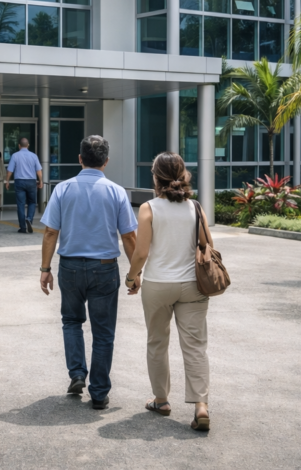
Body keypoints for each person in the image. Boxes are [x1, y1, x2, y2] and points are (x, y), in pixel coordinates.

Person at [39, 135, 138, 410]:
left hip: (69, 266)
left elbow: (50, 232)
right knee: (103, 332)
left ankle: (77, 374)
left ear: (80, 159)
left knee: (71, 321)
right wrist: (135, 272)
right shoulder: (117, 191)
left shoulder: (62, 189)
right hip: (105, 269)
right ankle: (99, 393)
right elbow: (129, 237)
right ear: (106, 161)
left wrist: (45, 268)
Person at [126, 151, 212, 432]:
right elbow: (205, 245)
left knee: (157, 342)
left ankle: (161, 400)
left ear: (155, 177)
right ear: (183, 175)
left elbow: (141, 253)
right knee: (195, 345)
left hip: (158, 284)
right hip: (193, 286)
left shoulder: (149, 208)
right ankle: (201, 406)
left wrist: (131, 277)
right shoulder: (196, 207)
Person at [4, 138, 42, 234]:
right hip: (31, 182)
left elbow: (10, 171)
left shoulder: (15, 155)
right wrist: (40, 181)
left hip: (19, 182)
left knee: (20, 204)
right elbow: (39, 171)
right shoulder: (34, 156)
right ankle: (29, 219)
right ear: (28, 145)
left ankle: (23, 227)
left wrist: (7, 181)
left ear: (19, 145)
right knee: (32, 202)